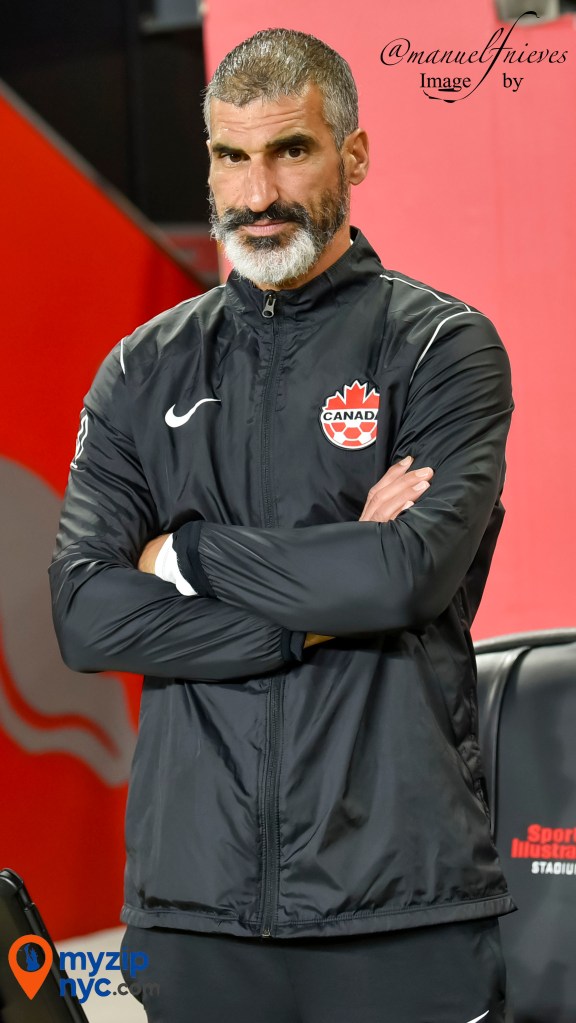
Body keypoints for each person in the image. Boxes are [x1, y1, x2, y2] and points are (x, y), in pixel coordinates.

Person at [50, 27, 515, 1023]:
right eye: (232, 156)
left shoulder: (441, 347)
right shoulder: (141, 370)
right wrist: (311, 617)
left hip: (399, 900)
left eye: (290, 150)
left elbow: (402, 576)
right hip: (194, 908)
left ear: (353, 154)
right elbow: (86, 616)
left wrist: (184, 553)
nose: (257, 193)